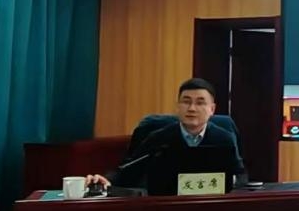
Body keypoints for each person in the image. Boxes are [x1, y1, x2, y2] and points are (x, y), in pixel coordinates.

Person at [86, 78, 245, 191]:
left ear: (212, 109)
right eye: (186, 101)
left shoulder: (224, 138)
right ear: (178, 107)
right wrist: (107, 180)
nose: (192, 108)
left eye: (200, 102)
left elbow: (240, 175)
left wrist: (234, 181)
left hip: (209, 208)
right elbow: (129, 171)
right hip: (167, 209)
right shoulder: (159, 138)